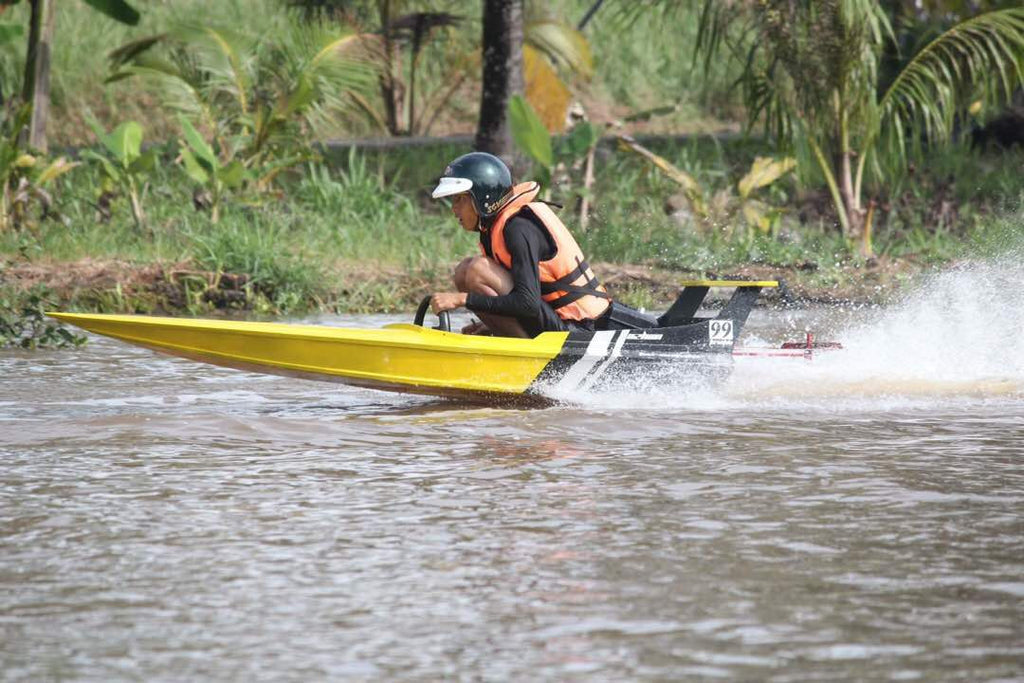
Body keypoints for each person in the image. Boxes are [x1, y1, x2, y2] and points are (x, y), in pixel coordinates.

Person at [428, 152, 611, 338]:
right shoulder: (493, 227)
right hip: (553, 319)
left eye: (459, 199)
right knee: (464, 271)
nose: (454, 209)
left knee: (476, 270)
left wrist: (462, 300)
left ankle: (523, 352)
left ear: (483, 198)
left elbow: (528, 303)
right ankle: (507, 338)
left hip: (579, 329)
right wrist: (492, 325)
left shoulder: (518, 228)